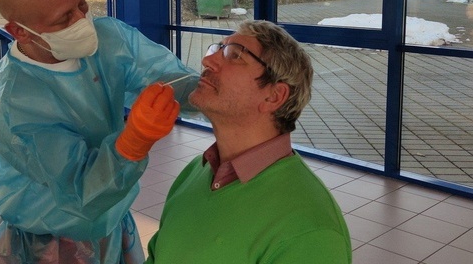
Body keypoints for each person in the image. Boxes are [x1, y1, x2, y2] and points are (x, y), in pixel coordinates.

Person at [0, 0, 198, 264]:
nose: (82, 20)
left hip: (111, 220)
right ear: (19, 31)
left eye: (82, 4)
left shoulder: (110, 40)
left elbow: (172, 80)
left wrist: (216, 88)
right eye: (64, 18)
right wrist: (133, 142)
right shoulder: (10, 100)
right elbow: (82, 190)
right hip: (47, 242)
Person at [145, 20, 352, 263]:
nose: (207, 61)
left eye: (235, 55)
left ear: (274, 96)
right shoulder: (194, 172)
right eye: (217, 49)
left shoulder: (311, 230)